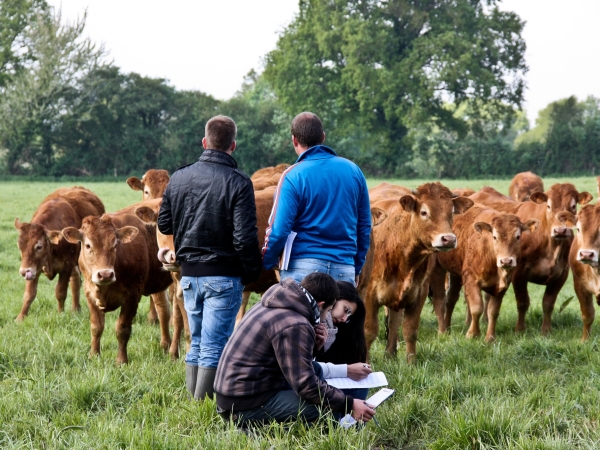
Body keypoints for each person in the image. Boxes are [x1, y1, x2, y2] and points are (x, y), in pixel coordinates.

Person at [157, 115, 262, 400]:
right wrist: (253, 271)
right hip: (224, 276)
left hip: (189, 276)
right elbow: (244, 237)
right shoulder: (240, 182)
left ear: (205, 142)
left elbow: (164, 224)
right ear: (233, 145)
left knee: (198, 341)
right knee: (215, 345)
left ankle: (195, 404)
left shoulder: (179, 177)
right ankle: (203, 408)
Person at [214, 273, 376, 427]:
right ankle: (254, 430)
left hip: (236, 397)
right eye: (327, 310)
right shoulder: (295, 323)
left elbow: (294, 365)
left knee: (318, 372)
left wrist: (315, 346)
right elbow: (306, 385)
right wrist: (349, 404)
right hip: (243, 406)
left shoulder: (277, 304)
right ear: (320, 305)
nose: (326, 316)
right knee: (331, 412)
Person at [261, 112, 371, 285]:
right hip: (344, 268)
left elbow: (279, 230)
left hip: (302, 269)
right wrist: (356, 266)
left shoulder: (292, 176)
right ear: (323, 137)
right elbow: (364, 226)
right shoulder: (354, 171)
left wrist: (267, 262)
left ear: (294, 140)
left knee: (302, 313)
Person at [316, 281, 370, 403]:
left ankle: (347, 420)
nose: (345, 319)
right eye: (346, 309)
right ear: (335, 298)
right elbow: (304, 370)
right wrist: (347, 370)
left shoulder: (335, 332)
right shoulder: (310, 319)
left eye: (349, 315)